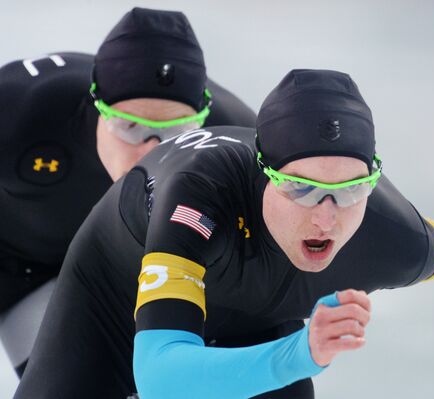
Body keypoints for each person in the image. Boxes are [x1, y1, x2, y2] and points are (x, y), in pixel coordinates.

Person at [15, 69, 434, 399]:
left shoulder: (402, 242)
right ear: (263, 176)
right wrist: (304, 353)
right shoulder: (199, 196)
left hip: (258, 323)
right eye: (301, 187)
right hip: (111, 306)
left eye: (350, 190)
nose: (326, 218)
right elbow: (161, 377)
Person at [0, 7, 256, 378]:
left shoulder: (238, 141)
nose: (150, 150)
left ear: (202, 121)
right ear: (95, 105)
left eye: (175, 132)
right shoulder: (20, 110)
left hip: (109, 270)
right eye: (130, 126)